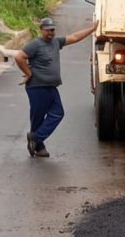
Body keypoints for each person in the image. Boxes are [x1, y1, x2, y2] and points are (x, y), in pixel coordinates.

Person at [15, 16, 98, 157]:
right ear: (41, 30)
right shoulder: (35, 44)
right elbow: (19, 57)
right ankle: (39, 146)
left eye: (52, 30)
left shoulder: (56, 42)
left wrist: (92, 29)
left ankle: (36, 138)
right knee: (38, 117)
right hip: (37, 87)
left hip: (51, 87)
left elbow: (74, 37)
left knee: (58, 113)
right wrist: (28, 73)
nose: (50, 33)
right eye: (47, 30)